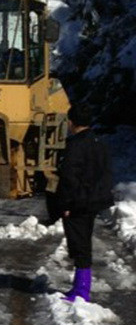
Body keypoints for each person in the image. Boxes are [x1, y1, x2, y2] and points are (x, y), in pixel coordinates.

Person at [55, 103, 114, 303]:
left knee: (79, 245)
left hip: (78, 203)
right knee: (84, 242)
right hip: (94, 201)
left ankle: (81, 290)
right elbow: (104, 173)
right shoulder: (99, 143)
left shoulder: (75, 145)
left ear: (71, 123)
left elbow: (69, 178)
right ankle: (81, 287)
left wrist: (66, 205)